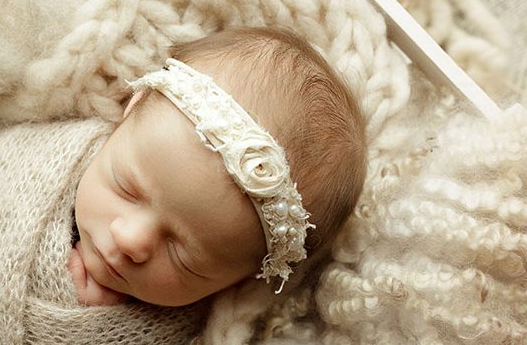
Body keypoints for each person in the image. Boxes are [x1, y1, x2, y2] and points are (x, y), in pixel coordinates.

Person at [69, 26, 368, 307]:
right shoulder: (64, 149)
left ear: (237, 282)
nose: (129, 239)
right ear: (132, 107)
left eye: (183, 258)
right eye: (126, 188)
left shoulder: (194, 340)